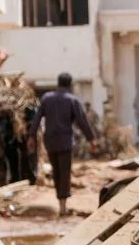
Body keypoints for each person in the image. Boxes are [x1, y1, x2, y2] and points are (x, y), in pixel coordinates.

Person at [27, 73, 96, 217]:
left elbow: (37, 118)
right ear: (70, 85)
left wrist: (31, 136)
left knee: (56, 171)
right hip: (65, 142)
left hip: (50, 141)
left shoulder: (46, 98)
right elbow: (82, 121)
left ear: (58, 83)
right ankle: (63, 206)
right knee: (64, 172)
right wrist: (91, 139)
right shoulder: (72, 100)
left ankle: (61, 203)